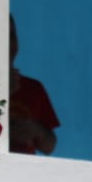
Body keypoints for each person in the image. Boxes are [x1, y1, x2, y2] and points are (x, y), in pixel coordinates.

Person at [8, 15, 59, 155]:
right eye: (2, 36)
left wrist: (37, 130)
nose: (9, 43)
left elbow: (49, 147)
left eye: (12, 35)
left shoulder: (33, 88)